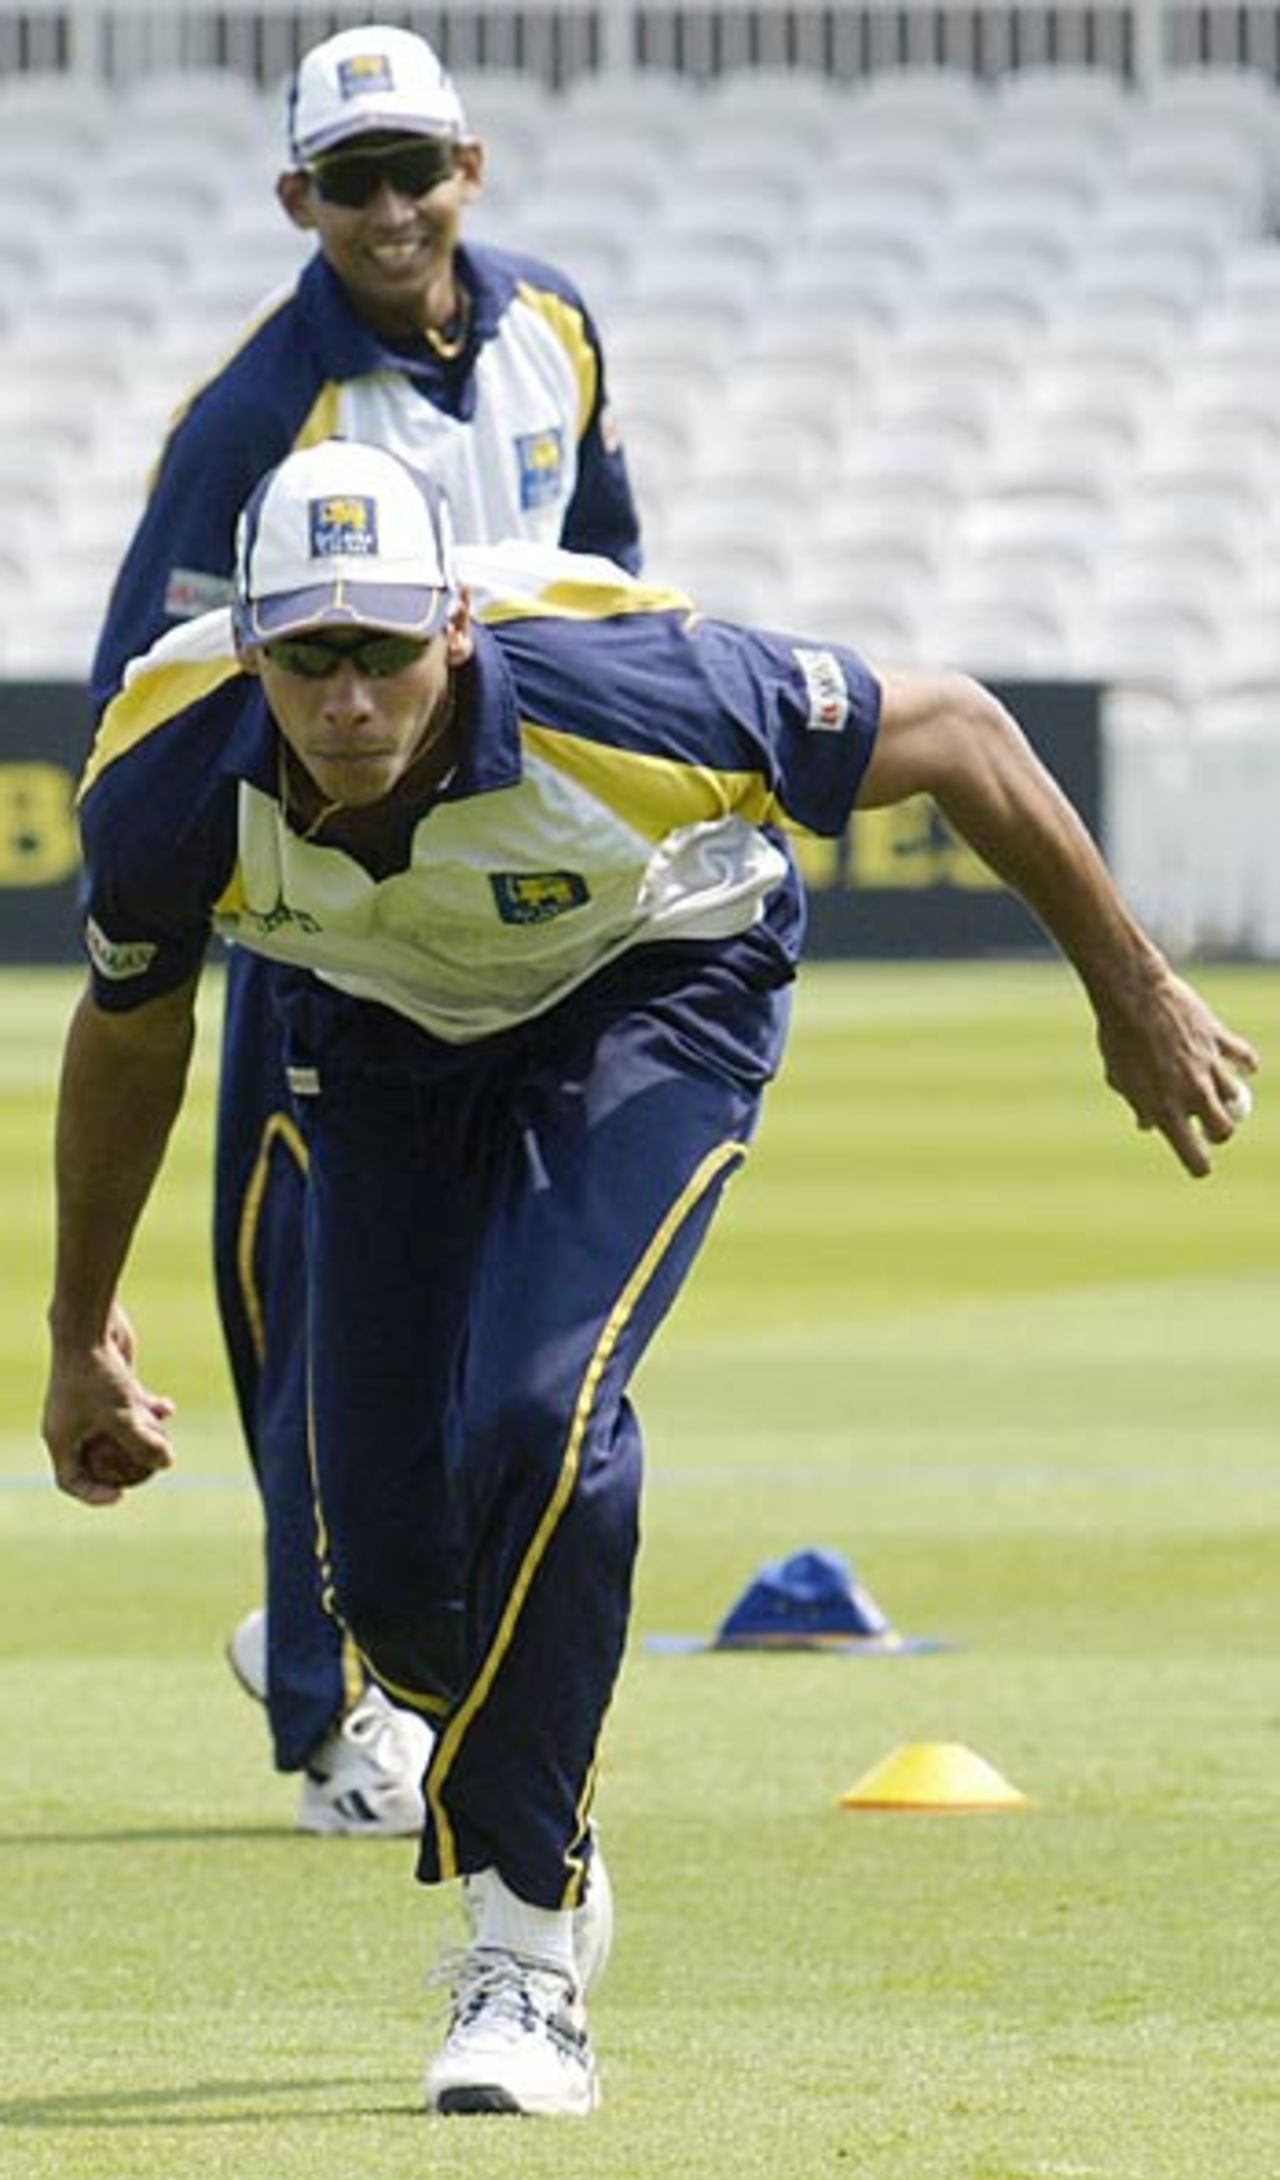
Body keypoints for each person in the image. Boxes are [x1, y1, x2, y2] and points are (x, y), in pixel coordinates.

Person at [44, 436, 1258, 2116]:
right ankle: (544, 1816)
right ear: (250, 649)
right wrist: (78, 1332)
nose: (346, 696)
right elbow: (131, 1035)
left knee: (543, 1412)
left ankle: (525, 1955)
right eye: (308, 655)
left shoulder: (644, 693)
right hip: (385, 1038)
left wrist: (1131, 991)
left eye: (382, 647)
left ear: (453, 628)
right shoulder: (164, 782)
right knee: (385, 1577)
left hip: (653, 988)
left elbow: (966, 732)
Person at [90, 22, 643, 1838]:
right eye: (353, 181)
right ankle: (339, 1722)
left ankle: (333, 1636)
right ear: (296, 200)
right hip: (322, 907)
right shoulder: (258, 420)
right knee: (310, 1289)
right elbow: (159, 684)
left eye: (417, 168)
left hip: (524, 879)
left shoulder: (556, 326)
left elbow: (617, 573)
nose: (392, 208)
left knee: (503, 1317)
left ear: (469, 168)